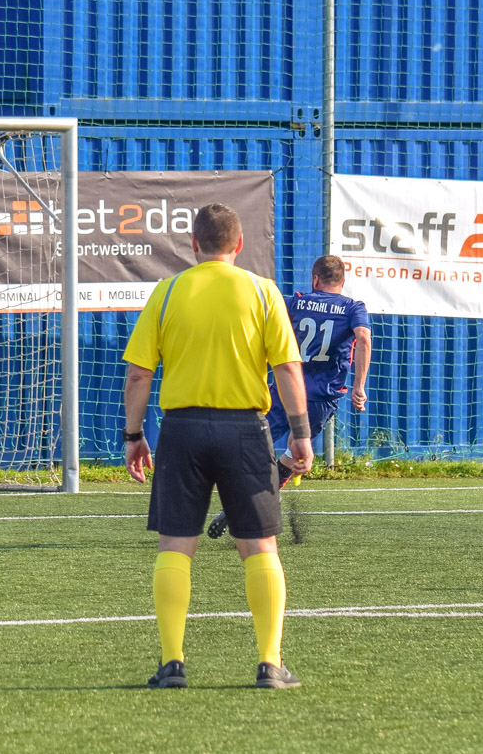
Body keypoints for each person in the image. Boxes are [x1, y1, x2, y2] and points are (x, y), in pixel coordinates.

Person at [122, 203, 312, 691]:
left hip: (181, 431)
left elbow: (139, 374)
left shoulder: (167, 292)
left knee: (175, 546)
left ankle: (172, 664)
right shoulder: (263, 291)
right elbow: (288, 370)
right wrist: (301, 433)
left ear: (194, 244)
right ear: (239, 244)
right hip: (245, 431)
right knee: (260, 547)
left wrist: (134, 436)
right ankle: (270, 664)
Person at [208, 253, 370, 539]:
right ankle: (257, 501)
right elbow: (364, 338)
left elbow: (260, 322)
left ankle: (241, 500)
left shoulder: (295, 302)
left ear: (315, 279)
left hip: (285, 388)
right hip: (321, 398)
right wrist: (359, 386)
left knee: (256, 444)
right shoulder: (353, 308)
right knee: (295, 453)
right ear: (342, 282)